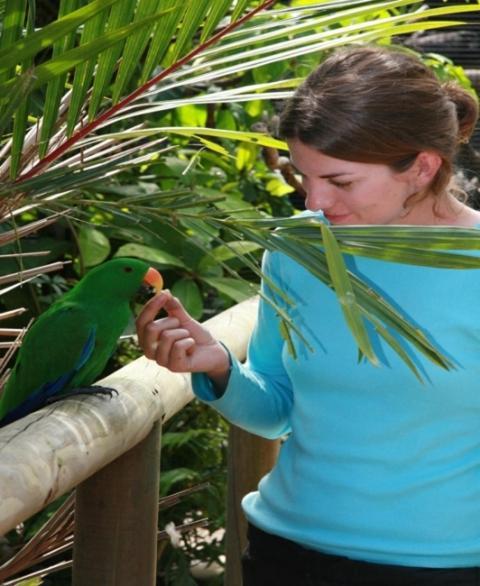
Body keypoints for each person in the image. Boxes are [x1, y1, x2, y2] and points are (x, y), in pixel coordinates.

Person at [136, 45, 480, 585]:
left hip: (447, 568)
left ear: (421, 167)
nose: (313, 203)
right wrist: (218, 367)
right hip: (285, 555)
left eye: (340, 181)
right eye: (303, 175)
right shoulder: (296, 247)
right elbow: (277, 409)